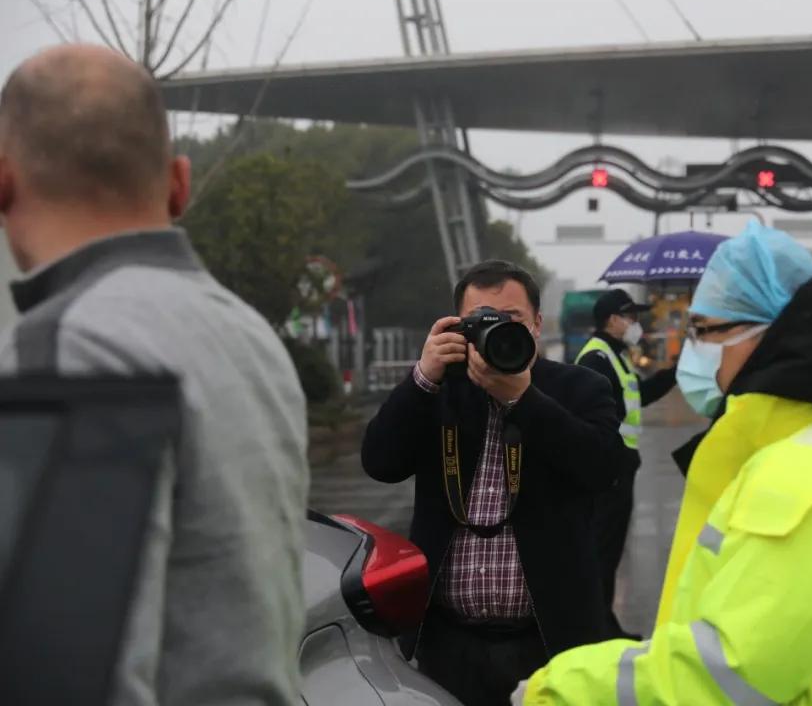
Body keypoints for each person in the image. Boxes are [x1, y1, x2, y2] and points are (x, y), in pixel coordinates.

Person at [515, 222, 812, 705]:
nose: (692, 348)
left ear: (765, 333)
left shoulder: (804, 476)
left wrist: (557, 687)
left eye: (704, 330)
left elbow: (730, 673)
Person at [0, 45, 308, 705]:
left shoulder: (71, 345)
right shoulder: (252, 337)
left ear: (3, 181)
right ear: (178, 183)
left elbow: (71, 675)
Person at [361, 259, 622, 706]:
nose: (497, 331)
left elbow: (601, 468)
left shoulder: (580, 387)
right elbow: (380, 462)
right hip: (447, 639)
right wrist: (421, 378)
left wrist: (523, 398)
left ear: (538, 324)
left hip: (549, 635)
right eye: (482, 320)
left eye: (512, 319)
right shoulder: (439, 390)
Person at [575, 288, 676, 638]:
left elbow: (638, 396)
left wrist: (675, 373)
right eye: (630, 316)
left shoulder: (617, 356)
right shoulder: (596, 358)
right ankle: (598, 626)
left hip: (622, 464)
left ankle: (604, 620)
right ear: (611, 320)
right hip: (609, 467)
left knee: (612, 546)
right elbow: (598, 414)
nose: (636, 323)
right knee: (603, 546)